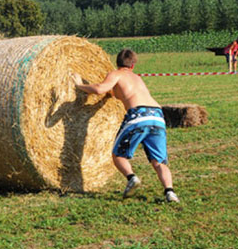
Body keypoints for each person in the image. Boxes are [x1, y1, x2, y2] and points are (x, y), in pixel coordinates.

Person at [71, 49, 179, 203]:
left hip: (138, 115)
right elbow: (121, 93)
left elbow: (99, 89)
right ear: (133, 65)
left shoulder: (116, 74)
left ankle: (132, 178)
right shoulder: (137, 78)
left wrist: (79, 85)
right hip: (157, 116)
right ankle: (170, 192)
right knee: (159, 162)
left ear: (117, 63)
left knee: (118, 156)